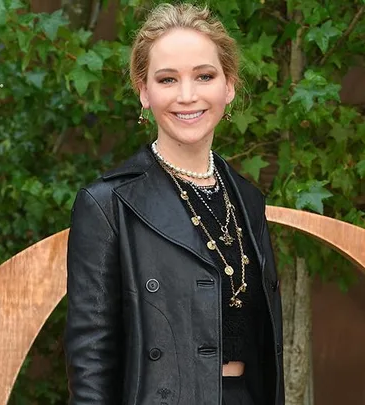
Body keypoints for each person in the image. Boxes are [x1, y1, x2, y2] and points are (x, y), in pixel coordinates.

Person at [64, 3, 284, 405]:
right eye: (167, 79)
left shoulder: (248, 201)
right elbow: (90, 360)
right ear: (143, 91)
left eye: (204, 76)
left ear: (229, 85)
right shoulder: (108, 205)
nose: (188, 96)